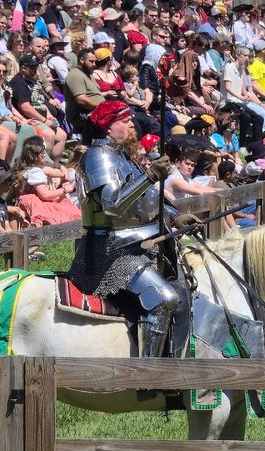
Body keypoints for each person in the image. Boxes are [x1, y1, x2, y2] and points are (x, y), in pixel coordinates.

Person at [66, 100, 201, 358]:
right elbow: (112, 205)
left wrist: (176, 217)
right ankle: (146, 374)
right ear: (108, 127)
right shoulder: (98, 157)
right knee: (164, 299)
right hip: (112, 250)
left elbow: (148, 198)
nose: (131, 124)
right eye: (125, 120)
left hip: (136, 243)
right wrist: (150, 175)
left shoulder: (122, 157)